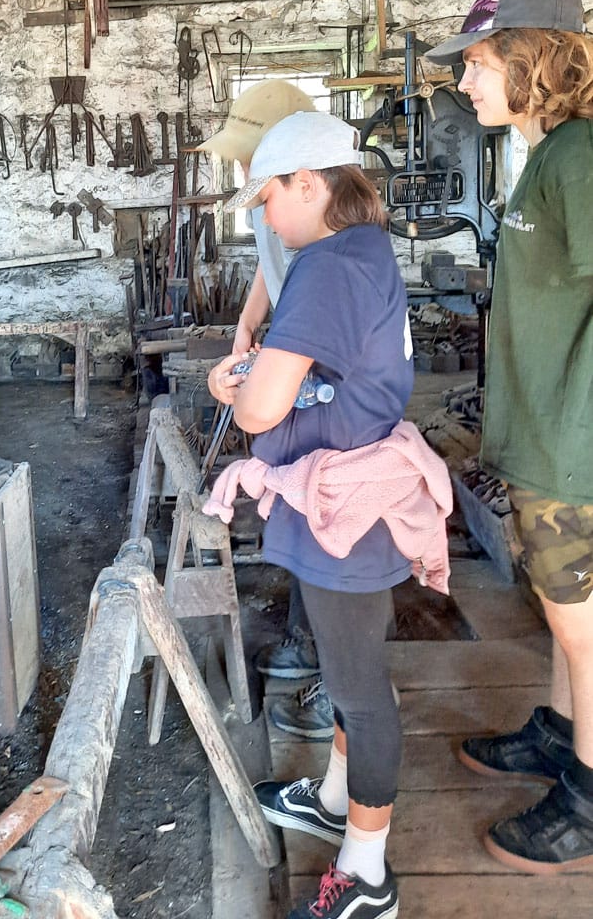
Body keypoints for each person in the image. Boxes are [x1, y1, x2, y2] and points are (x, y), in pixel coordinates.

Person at [206, 111, 449, 919]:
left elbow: (259, 411)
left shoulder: (329, 265)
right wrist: (260, 372)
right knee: (349, 674)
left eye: (266, 198)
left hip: (346, 501)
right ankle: (340, 797)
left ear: (309, 186)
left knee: (358, 686)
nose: (262, 216)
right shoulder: (362, 249)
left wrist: (233, 382)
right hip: (338, 492)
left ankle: (368, 870)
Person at [426, 0, 593, 873]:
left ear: (533, 59)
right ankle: (564, 734)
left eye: (482, 62)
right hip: (546, 436)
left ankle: (589, 804)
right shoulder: (550, 156)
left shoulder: (583, 158)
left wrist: (576, 427)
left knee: (584, 628)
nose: (467, 80)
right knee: (569, 617)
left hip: (576, 448)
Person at [197, 80, 335, 738]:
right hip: (295, 357)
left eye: (253, 154)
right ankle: (306, 642)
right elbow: (266, 266)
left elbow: (317, 306)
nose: (243, 167)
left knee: (332, 516)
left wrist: (269, 376)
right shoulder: (269, 195)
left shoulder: (322, 217)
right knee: (302, 504)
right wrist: (247, 328)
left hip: (327, 376)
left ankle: (338, 681)